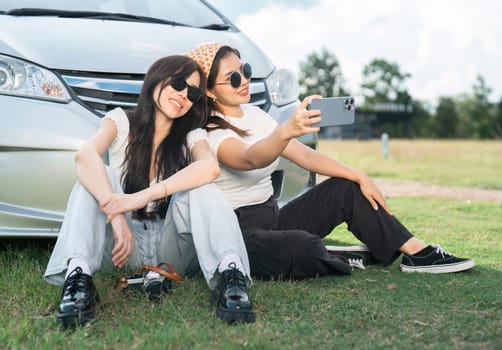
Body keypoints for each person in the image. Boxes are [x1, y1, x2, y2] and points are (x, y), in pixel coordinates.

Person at [186, 42, 475, 280]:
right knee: (305, 247)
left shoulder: (256, 116)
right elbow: (250, 159)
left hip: (272, 217)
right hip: (237, 235)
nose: (245, 81)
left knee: (344, 187)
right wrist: (286, 130)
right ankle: (339, 256)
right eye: (234, 78)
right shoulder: (210, 132)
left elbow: (305, 156)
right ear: (209, 90)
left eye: (245, 71)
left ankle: (417, 252)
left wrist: (358, 175)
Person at [44, 55, 255, 327]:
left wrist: (142, 196)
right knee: (98, 177)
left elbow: (210, 167)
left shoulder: (192, 135)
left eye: (192, 93)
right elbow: (85, 156)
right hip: (123, 247)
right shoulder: (120, 121)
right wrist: (117, 215)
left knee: (203, 185)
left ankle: (230, 277)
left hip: (173, 248)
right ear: (157, 77)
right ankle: (79, 281)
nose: (183, 95)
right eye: (178, 84)